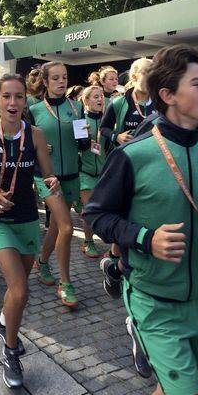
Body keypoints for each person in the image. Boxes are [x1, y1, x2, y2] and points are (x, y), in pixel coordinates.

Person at [84, 44, 198, 395]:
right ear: (168, 95)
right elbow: (96, 214)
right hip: (153, 300)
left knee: (176, 387)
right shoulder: (134, 155)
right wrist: (146, 238)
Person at [0, 74, 60, 388]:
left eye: (19, 97)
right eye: (7, 97)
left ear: (25, 101)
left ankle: (3, 322)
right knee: (19, 290)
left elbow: (47, 176)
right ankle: (11, 350)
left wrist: (52, 183)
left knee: (18, 289)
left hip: (27, 220)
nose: (13, 103)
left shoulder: (37, 136)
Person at [28, 61, 90, 307]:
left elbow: (84, 145)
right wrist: (41, 149)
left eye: (63, 77)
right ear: (45, 82)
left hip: (73, 175)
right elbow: (26, 148)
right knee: (65, 227)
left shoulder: (76, 108)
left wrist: (85, 136)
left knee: (55, 226)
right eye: (55, 78)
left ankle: (42, 261)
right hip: (46, 177)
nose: (61, 82)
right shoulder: (34, 110)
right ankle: (66, 283)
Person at [98, 58, 156, 299]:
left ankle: (114, 262)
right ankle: (118, 264)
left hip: (151, 168)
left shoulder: (160, 103)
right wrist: (117, 136)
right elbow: (103, 129)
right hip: (124, 168)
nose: (152, 77)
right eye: (147, 73)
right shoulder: (119, 102)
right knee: (125, 215)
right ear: (133, 77)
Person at [78, 86, 105, 258]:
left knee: (106, 209)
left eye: (101, 96)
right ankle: (88, 241)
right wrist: (85, 136)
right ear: (86, 101)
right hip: (85, 172)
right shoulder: (80, 120)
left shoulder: (109, 119)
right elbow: (79, 147)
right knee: (89, 209)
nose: (100, 99)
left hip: (104, 172)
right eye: (95, 96)